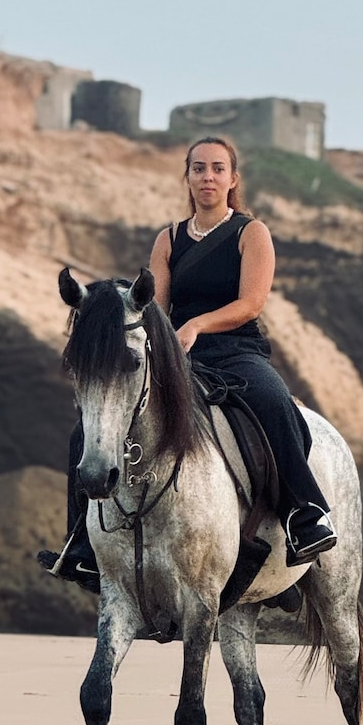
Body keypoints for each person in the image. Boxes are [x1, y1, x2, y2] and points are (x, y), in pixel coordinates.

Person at [40, 136, 337, 590]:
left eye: (218, 169)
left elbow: (251, 303)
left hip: (236, 350)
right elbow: (154, 307)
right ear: (188, 177)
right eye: (199, 168)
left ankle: (304, 514)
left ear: (232, 179)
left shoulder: (250, 233)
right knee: (89, 426)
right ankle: (81, 542)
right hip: (177, 356)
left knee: (274, 398)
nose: (208, 177)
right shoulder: (169, 239)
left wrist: (198, 325)